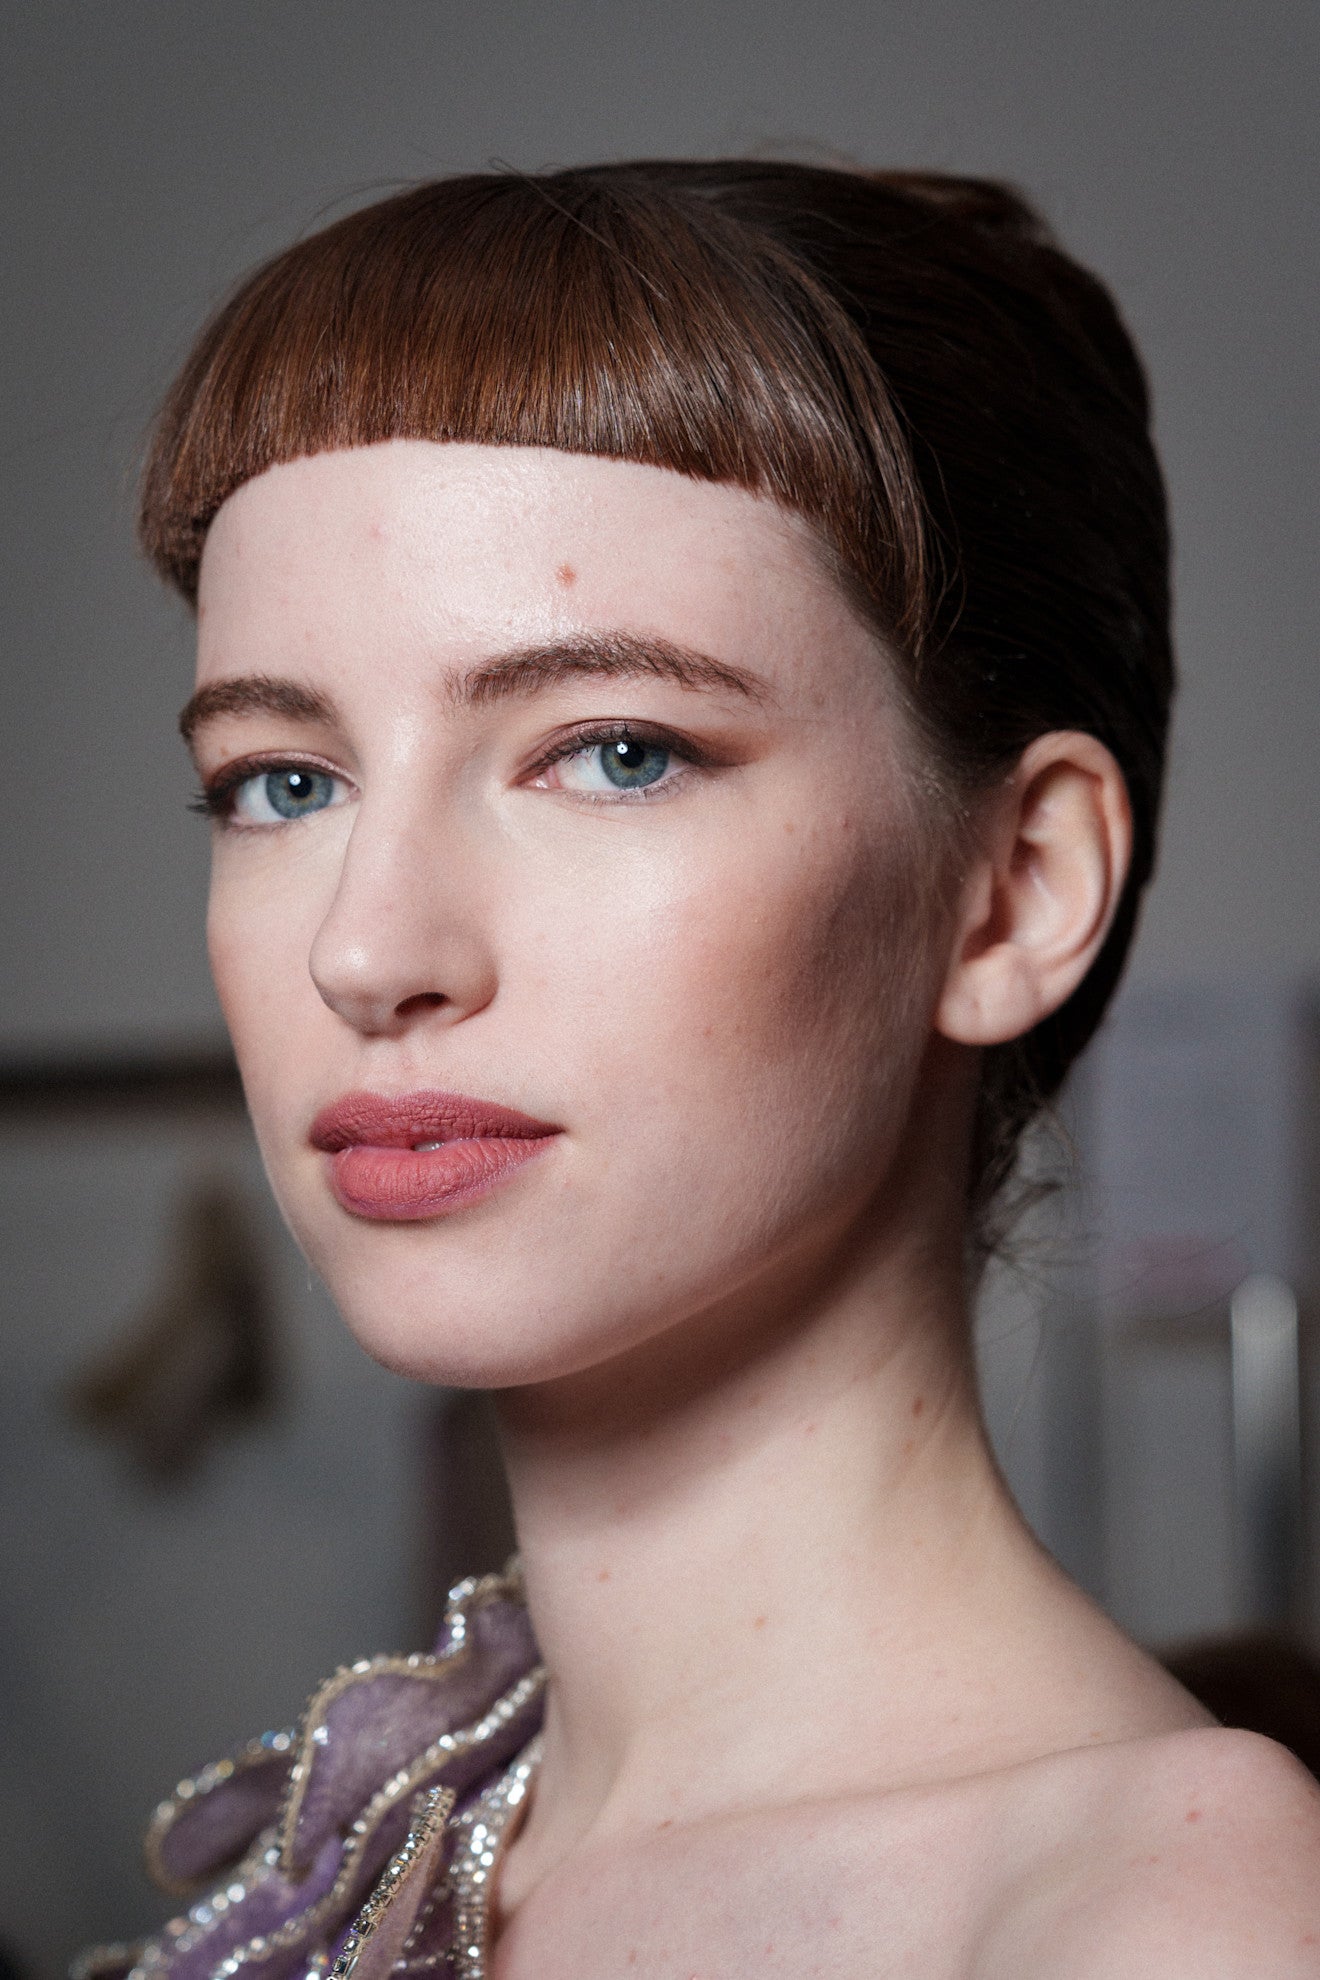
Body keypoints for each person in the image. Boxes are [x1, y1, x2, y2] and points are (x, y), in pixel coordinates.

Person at [81, 161, 1320, 1979]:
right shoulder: (374, 1841)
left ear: (1014, 891)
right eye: (285, 781)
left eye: (617, 754)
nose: (367, 948)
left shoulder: (1161, 1921)